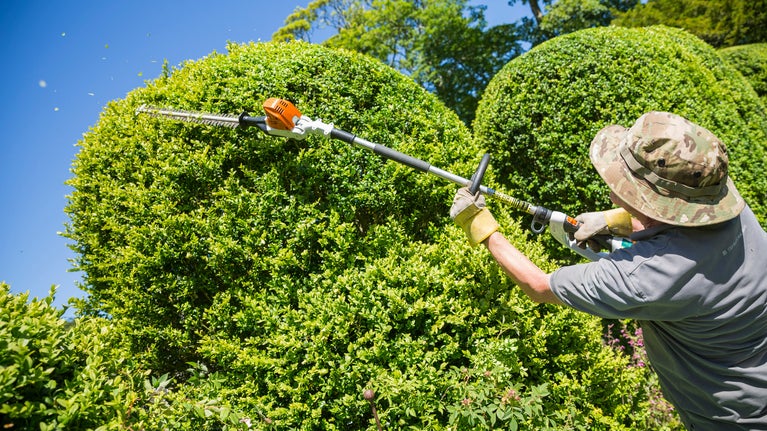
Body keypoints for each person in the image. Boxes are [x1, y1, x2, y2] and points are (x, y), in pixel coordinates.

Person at [450, 111, 767, 430]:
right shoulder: (717, 193)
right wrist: (615, 221)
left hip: (734, 420)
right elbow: (680, 227)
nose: (611, 183)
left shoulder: (646, 276)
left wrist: (479, 223)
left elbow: (538, 286)